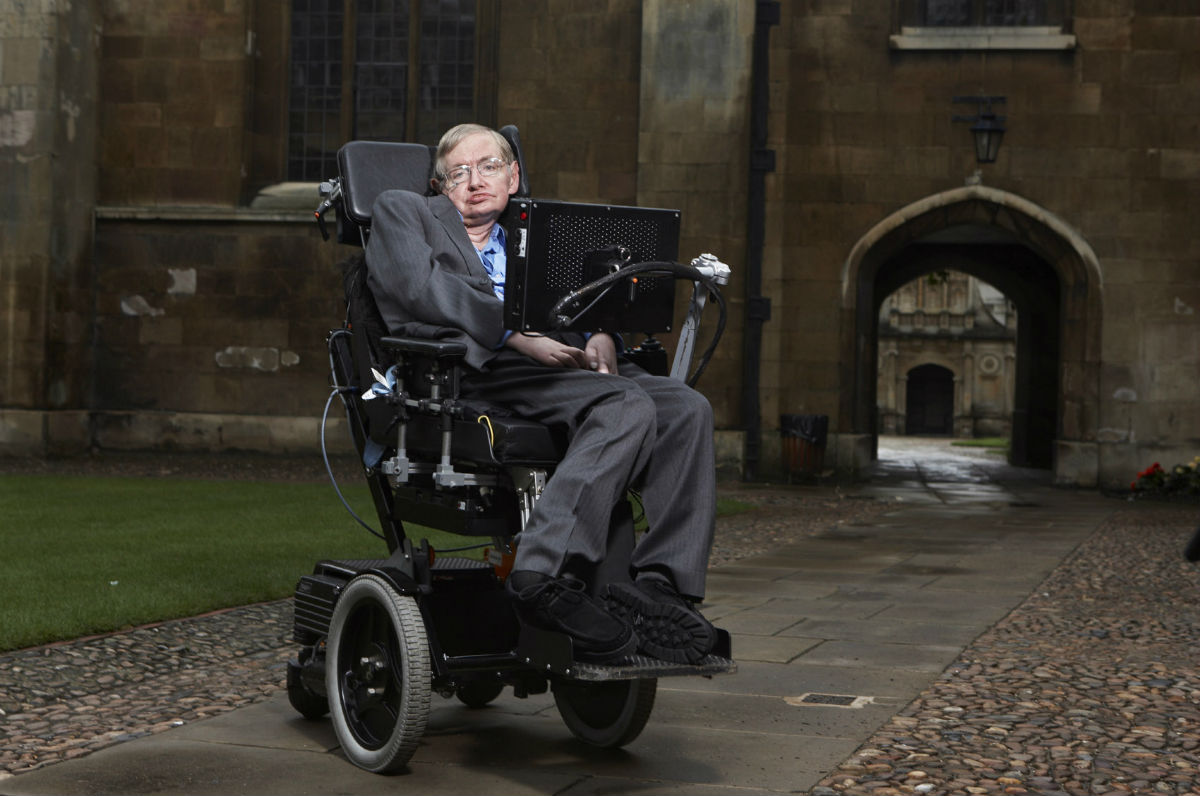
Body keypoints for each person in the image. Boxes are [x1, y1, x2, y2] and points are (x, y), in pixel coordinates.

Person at [365, 123, 717, 664]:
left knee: (687, 409)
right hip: (480, 366)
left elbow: (584, 297)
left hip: (567, 360)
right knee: (625, 405)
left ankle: (664, 588)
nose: (474, 181)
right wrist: (516, 334)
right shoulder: (403, 211)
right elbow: (422, 289)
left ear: (513, 176)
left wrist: (601, 329)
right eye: (457, 172)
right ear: (438, 187)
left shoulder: (540, 231)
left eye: (488, 167)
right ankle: (542, 571)